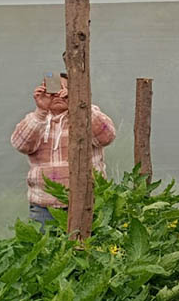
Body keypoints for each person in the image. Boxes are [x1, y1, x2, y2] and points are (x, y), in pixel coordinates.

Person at [11, 72, 116, 228]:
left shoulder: (87, 114)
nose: (59, 94)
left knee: (89, 241)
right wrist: (41, 110)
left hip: (90, 201)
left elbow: (107, 136)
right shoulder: (37, 119)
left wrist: (80, 102)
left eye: (67, 89)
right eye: (54, 90)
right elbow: (20, 144)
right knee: (45, 243)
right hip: (45, 206)